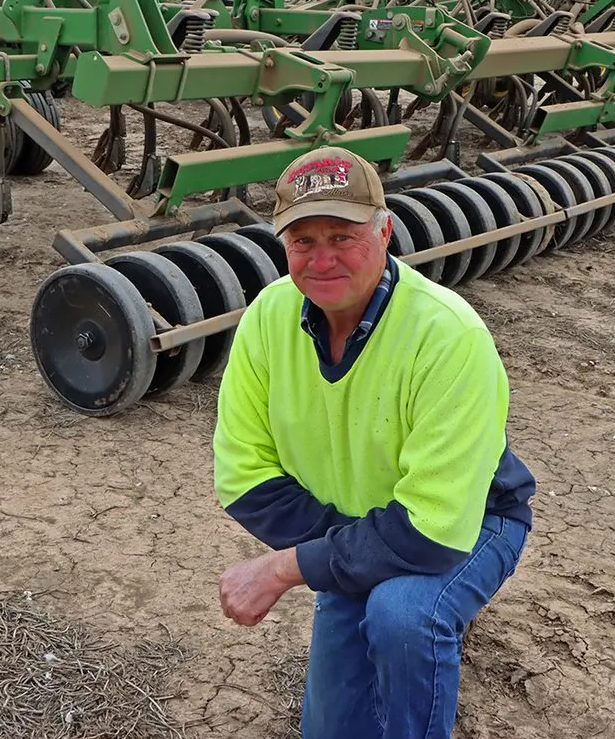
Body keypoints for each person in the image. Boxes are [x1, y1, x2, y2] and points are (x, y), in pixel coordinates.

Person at [211, 146, 537, 739]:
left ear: (385, 230)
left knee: (402, 615)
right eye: (302, 241)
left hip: (470, 522)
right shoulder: (267, 317)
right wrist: (347, 556)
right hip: (354, 530)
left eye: (343, 235)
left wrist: (294, 566)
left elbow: (437, 528)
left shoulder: (446, 335)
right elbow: (244, 475)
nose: (322, 259)